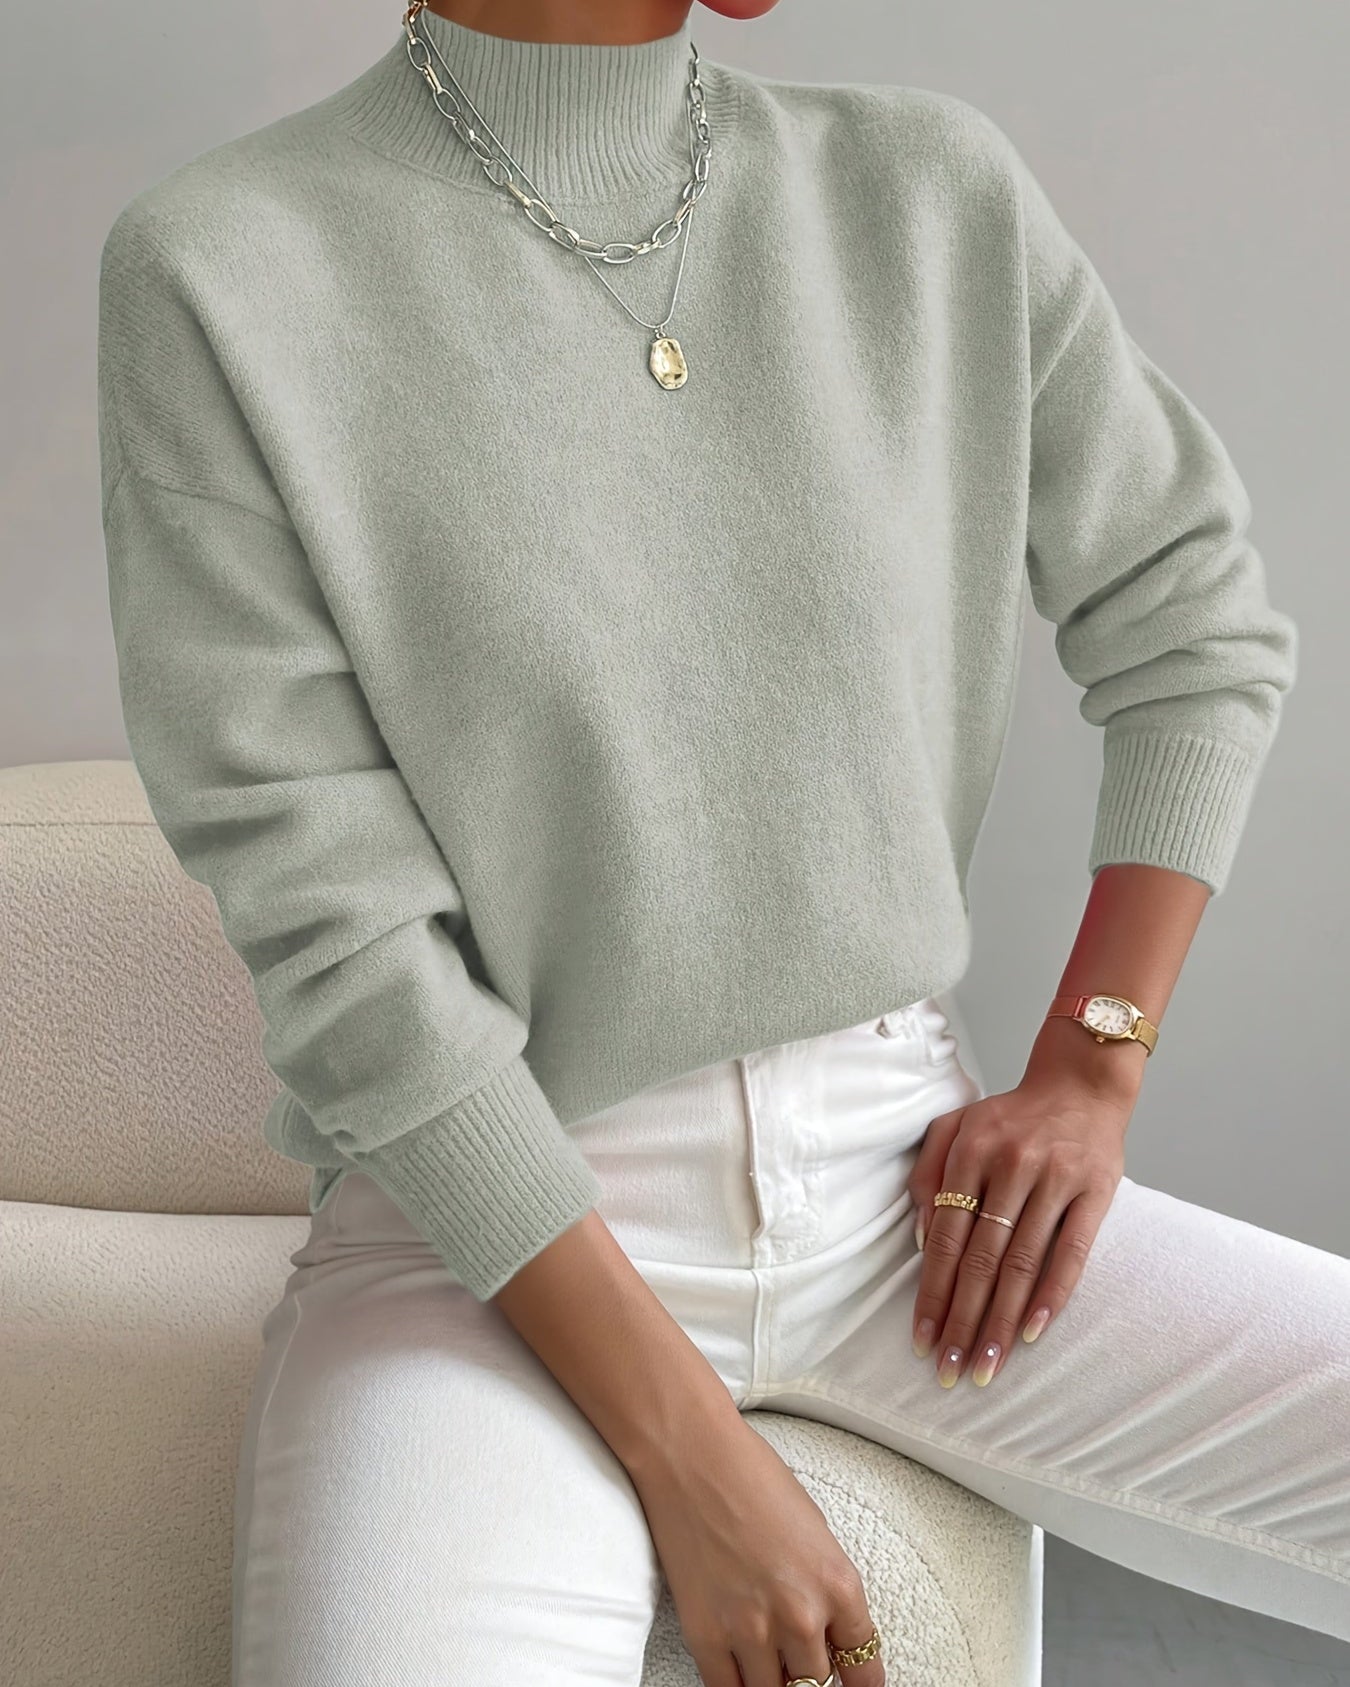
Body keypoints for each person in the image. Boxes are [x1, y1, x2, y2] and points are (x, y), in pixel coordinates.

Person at [95, 2, 1346, 1683]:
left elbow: (1191, 623)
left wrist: (1091, 1062)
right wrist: (691, 1454)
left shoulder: (926, 193)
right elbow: (342, 943)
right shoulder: (227, 265)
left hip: (910, 1201)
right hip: (484, 1249)